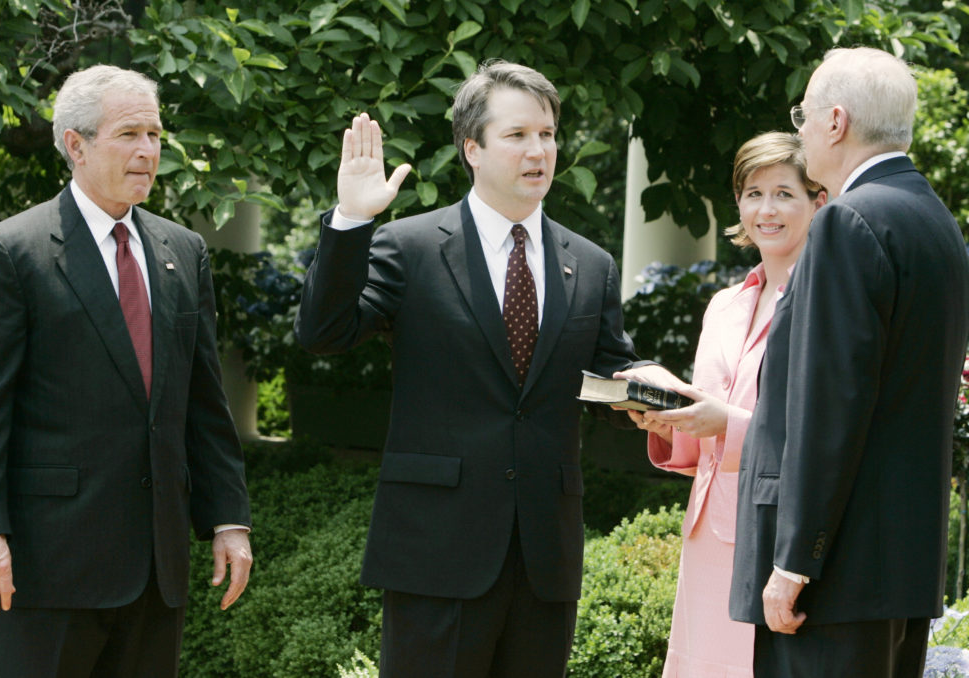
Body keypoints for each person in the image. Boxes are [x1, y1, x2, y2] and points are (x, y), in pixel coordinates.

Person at [294, 60, 676, 677]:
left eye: (548, 134)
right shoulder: (411, 246)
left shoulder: (592, 263)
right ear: (472, 148)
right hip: (435, 551)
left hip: (545, 557)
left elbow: (612, 366)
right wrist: (352, 222)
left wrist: (649, 382)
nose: (540, 151)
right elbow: (323, 333)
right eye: (518, 135)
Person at [0, 64, 253, 677]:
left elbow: (202, 400)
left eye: (156, 135)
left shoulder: (181, 250)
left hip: (155, 566)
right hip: (48, 563)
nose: (148, 151)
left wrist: (228, 518)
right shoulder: (11, 252)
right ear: (75, 145)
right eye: (129, 134)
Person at [728, 47, 969, 678]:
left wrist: (793, 562)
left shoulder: (848, 221)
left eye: (803, 114)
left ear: (835, 121)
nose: (800, 128)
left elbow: (827, 407)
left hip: (833, 580)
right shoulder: (935, 221)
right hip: (898, 569)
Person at [630, 132, 826, 677]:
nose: (766, 209)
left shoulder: (826, 300)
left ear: (819, 201)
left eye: (785, 193)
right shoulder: (723, 305)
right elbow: (706, 433)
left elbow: (824, 428)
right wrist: (666, 420)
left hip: (775, 532)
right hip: (705, 535)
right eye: (753, 192)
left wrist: (730, 425)